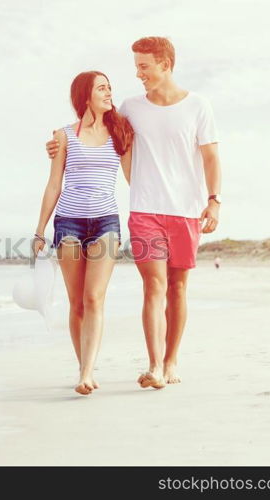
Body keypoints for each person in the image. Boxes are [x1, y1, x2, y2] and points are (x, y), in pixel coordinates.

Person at [46, 37, 222, 390]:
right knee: (153, 285)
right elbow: (92, 124)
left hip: (186, 210)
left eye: (144, 66)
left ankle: (172, 361)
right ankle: (155, 366)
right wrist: (58, 143)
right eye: (137, 66)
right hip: (144, 210)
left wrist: (214, 199)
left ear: (165, 64)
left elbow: (211, 157)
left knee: (178, 287)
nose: (138, 73)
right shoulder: (130, 107)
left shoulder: (199, 106)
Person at [33, 71, 133, 395]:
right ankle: (83, 370)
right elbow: (53, 185)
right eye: (101, 88)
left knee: (94, 297)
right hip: (69, 223)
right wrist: (39, 230)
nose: (109, 92)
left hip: (106, 221)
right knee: (76, 302)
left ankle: (88, 372)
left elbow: (134, 176)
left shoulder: (121, 131)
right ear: (85, 96)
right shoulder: (63, 136)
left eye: (109, 87)